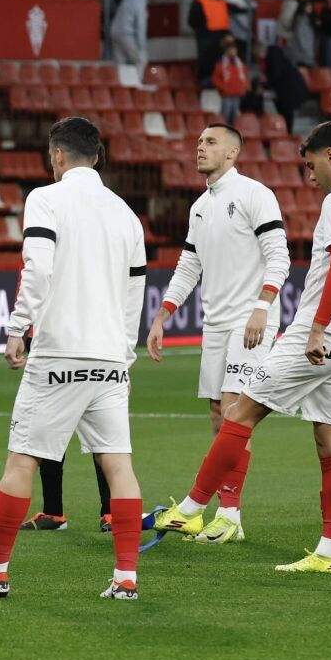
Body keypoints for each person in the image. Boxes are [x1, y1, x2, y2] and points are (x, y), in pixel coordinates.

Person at [151, 120, 331, 574]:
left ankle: (191, 508)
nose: (309, 175)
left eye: (311, 165)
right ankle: (329, 553)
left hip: (316, 337)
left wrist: (319, 328)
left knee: (239, 414)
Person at [0, 117, 147, 601]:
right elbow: (135, 293)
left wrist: (18, 326)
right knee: (118, 464)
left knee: (22, 460)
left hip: (59, 352)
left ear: (58, 156)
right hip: (110, 357)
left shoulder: (45, 198)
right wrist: (124, 354)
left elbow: (37, 268)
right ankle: (126, 577)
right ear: (96, 157)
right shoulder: (127, 213)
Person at [140, 123, 290, 543]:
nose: (200, 147)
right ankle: (229, 515)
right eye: (199, 141)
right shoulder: (201, 206)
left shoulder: (255, 194)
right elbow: (189, 265)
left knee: (232, 410)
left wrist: (262, 307)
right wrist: (162, 316)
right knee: (217, 415)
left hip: (250, 321)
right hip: (217, 323)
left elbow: (279, 256)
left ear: (232, 153)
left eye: (210, 142)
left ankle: (227, 514)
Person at [190, 0, 231, 82]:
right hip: (206, 37)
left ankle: (218, 81)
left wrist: (226, 34)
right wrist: (204, 31)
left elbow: (224, 20)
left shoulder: (222, 2)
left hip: (221, 37)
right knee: (206, 61)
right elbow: (192, 21)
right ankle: (205, 82)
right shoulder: (200, 2)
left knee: (220, 61)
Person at [212, 36, 249, 125]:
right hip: (227, 95)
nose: (233, 51)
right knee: (225, 117)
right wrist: (224, 87)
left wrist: (244, 87)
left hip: (237, 94)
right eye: (231, 49)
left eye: (234, 49)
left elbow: (245, 77)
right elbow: (215, 79)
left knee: (234, 118)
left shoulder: (240, 64)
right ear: (227, 51)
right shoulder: (221, 64)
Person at [110, 0, 150, 66]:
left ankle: (124, 75)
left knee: (121, 65)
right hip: (127, 35)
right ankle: (138, 75)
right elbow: (141, 26)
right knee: (141, 59)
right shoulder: (141, 1)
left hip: (114, 34)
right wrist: (141, 47)